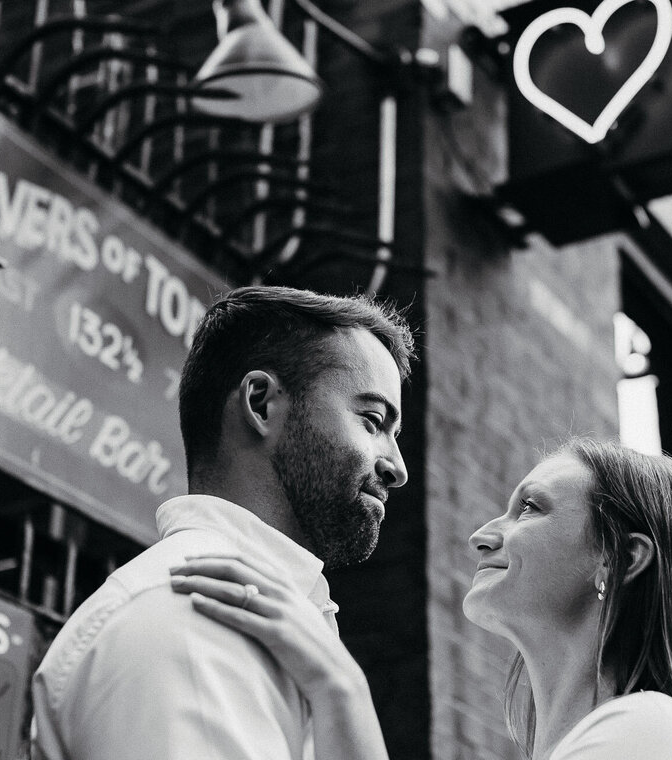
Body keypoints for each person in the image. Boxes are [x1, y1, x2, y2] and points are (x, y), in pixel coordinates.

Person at [170, 438, 672, 760]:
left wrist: (341, 689)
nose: (482, 535)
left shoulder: (650, 731)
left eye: (530, 508)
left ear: (620, 557)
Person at [30, 285, 414, 760]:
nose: (397, 468)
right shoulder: (195, 621)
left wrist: (345, 691)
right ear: (260, 403)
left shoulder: (280, 629)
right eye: (373, 421)